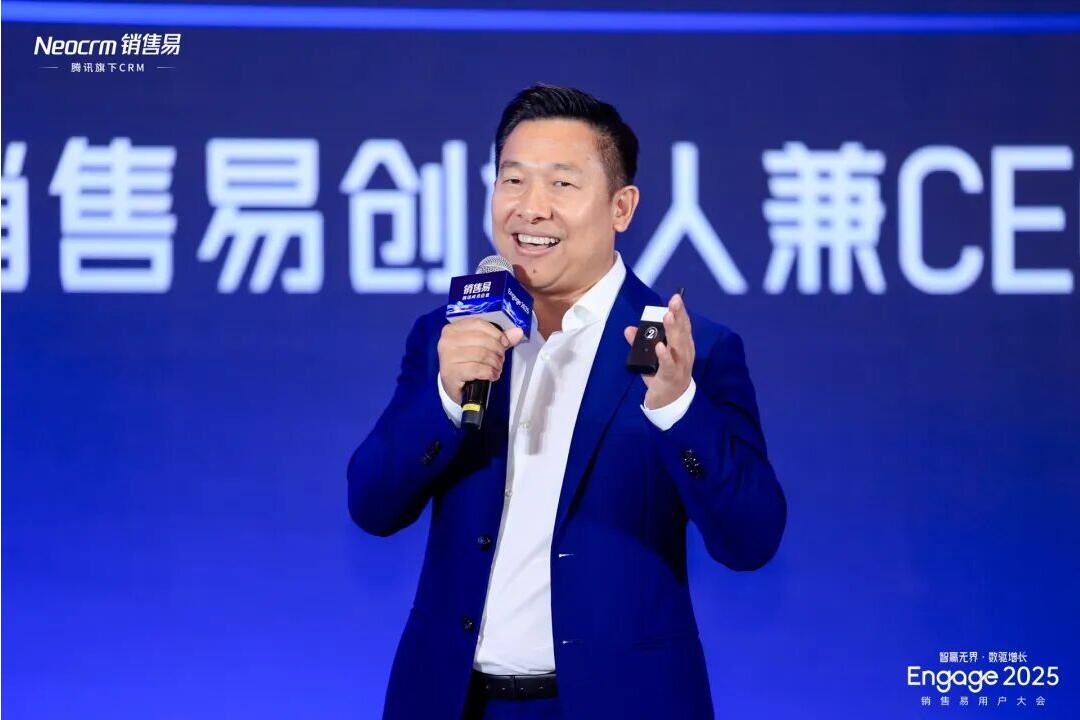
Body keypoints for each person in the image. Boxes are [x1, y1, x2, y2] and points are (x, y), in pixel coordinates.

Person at [348, 83, 786, 720]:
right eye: (513, 180)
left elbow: (751, 539)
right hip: (455, 701)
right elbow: (371, 505)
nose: (531, 208)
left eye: (561, 184)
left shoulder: (680, 346)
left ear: (621, 207)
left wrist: (678, 409)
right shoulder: (453, 334)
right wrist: (445, 396)